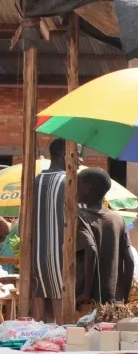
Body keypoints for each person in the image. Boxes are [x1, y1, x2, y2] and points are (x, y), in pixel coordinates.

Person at [75, 168, 135, 308]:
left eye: (77, 185)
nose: (73, 189)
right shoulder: (118, 218)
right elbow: (130, 260)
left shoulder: (79, 216)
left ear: (87, 188)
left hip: (87, 301)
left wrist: (86, 293)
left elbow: (91, 249)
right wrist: (125, 295)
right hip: (114, 299)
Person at [30, 138, 67, 323]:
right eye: (78, 156)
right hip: (61, 255)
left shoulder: (36, 180)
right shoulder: (68, 181)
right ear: (64, 155)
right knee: (61, 317)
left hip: (36, 254)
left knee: (40, 317)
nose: (81, 161)